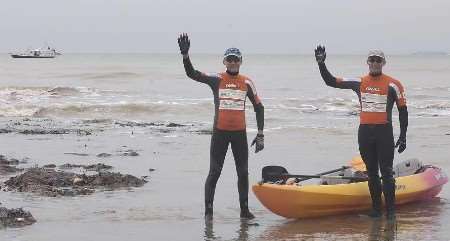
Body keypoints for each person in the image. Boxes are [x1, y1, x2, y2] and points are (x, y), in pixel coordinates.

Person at [314, 46, 408, 220]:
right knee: (372, 172)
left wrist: (403, 136)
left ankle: (391, 213)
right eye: (371, 60)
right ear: (367, 63)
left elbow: (403, 111)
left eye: (378, 60)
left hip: (384, 132)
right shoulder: (359, 82)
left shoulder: (394, 84)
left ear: (383, 63)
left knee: (386, 172)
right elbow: (331, 81)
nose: (374, 63)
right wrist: (321, 64)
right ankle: (376, 210)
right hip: (365, 132)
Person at [177, 33, 264, 220]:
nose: (233, 63)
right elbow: (193, 74)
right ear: (224, 62)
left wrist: (261, 133)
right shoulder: (216, 79)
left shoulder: (247, 82)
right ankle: (208, 213)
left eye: (236, 60)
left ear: (241, 62)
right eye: (229, 59)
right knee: (214, 172)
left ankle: (244, 211)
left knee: (242, 173)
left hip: (239, 134)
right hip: (220, 134)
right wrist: (186, 56)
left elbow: (259, 107)